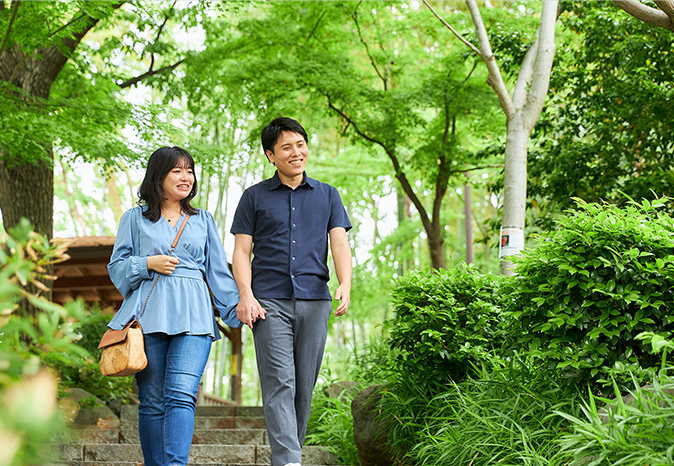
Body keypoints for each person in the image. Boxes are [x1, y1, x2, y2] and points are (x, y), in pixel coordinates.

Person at [107, 146, 259, 466]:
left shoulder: (202, 219)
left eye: (189, 171)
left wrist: (238, 309)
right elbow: (117, 267)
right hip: (149, 315)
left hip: (195, 315)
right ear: (158, 176)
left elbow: (218, 272)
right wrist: (148, 262)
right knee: (151, 400)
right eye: (177, 170)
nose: (185, 177)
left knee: (181, 395)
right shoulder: (134, 218)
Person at [231, 117, 353, 466]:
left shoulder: (328, 194)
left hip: (315, 299)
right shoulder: (254, 197)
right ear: (271, 155)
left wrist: (345, 282)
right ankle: (289, 462)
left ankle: (288, 457)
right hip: (268, 301)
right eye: (286, 147)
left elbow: (340, 244)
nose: (296, 152)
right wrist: (246, 295)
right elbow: (241, 252)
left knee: (303, 387)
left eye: (300, 145)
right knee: (279, 383)